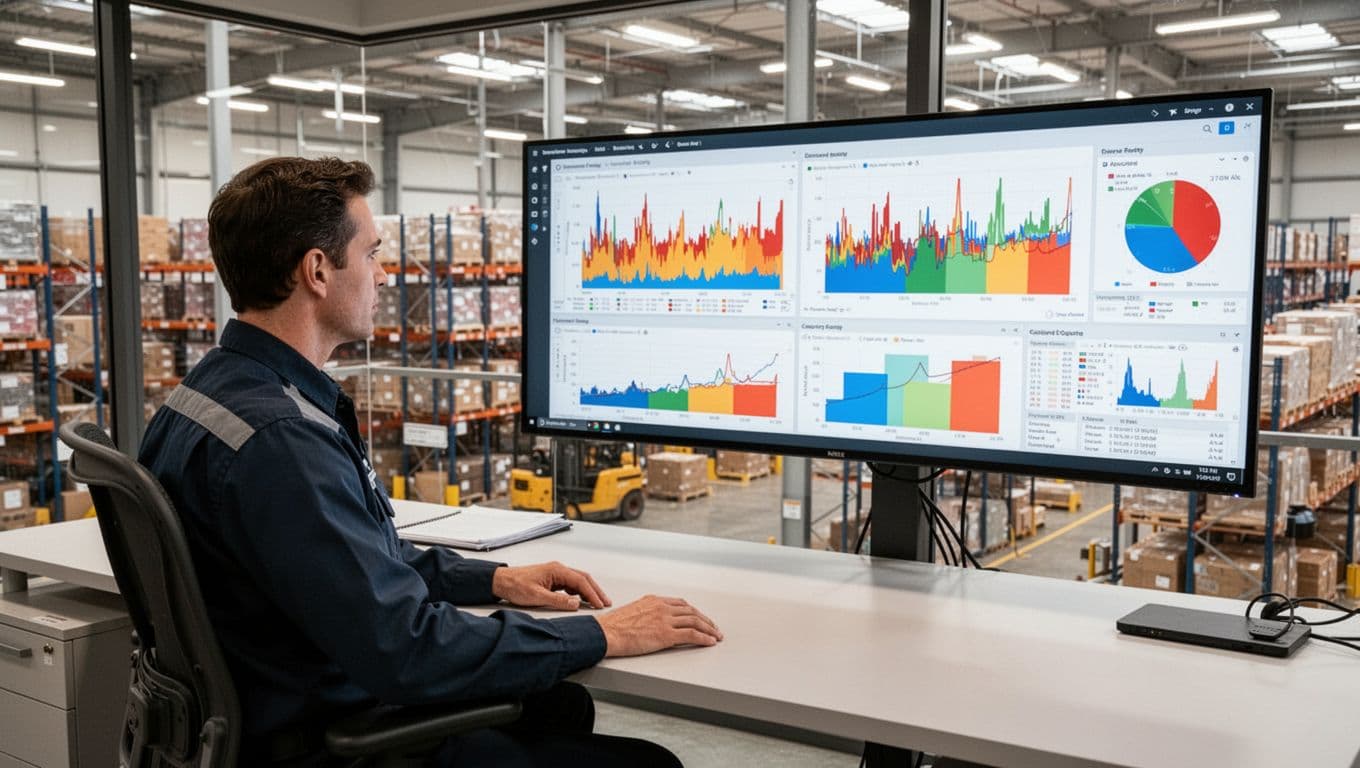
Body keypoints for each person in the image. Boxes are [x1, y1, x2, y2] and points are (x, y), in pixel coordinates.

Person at [138, 156, 723, 767]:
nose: (384, 276)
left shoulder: (208, 392)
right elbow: (406, 650)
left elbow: (352, 557)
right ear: (317, 271)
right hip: (330, 734)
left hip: (277, 699)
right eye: (371, 255)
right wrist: (607, 631)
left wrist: (493, 579)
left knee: (559, 705)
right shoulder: (282, 441)